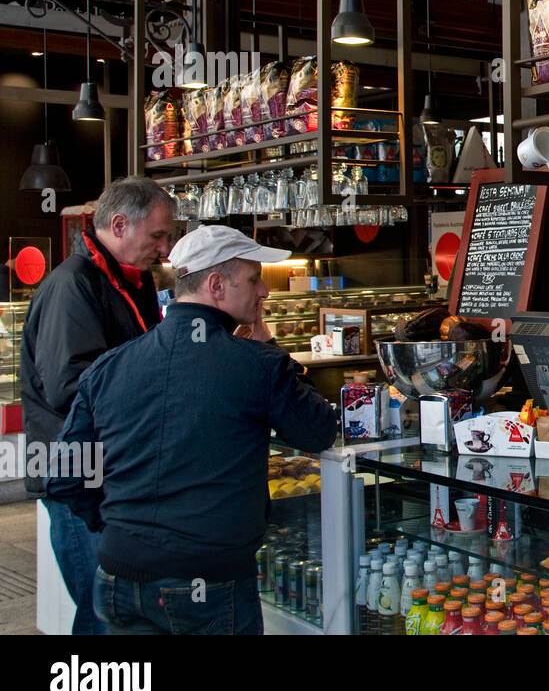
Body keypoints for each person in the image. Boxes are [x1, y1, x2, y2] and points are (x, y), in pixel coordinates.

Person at [46, 225, 338, 635]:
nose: (264, 293)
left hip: (119, 578)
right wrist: (269, 346)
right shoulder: (256, 364)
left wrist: (121, 531)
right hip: (208, 584)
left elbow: (64, 477)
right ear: (216, 284)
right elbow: (318, 430)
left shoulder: (110, 366)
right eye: (254, 280)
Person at [21, 177, 176, 634]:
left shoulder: (132, 280)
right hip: (77, 479)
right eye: (157, 236)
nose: (164, 248)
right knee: (103, 612)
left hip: (111, 475)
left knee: (112, 609)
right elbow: (70, 387)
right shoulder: (73, 286)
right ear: (121, 224)